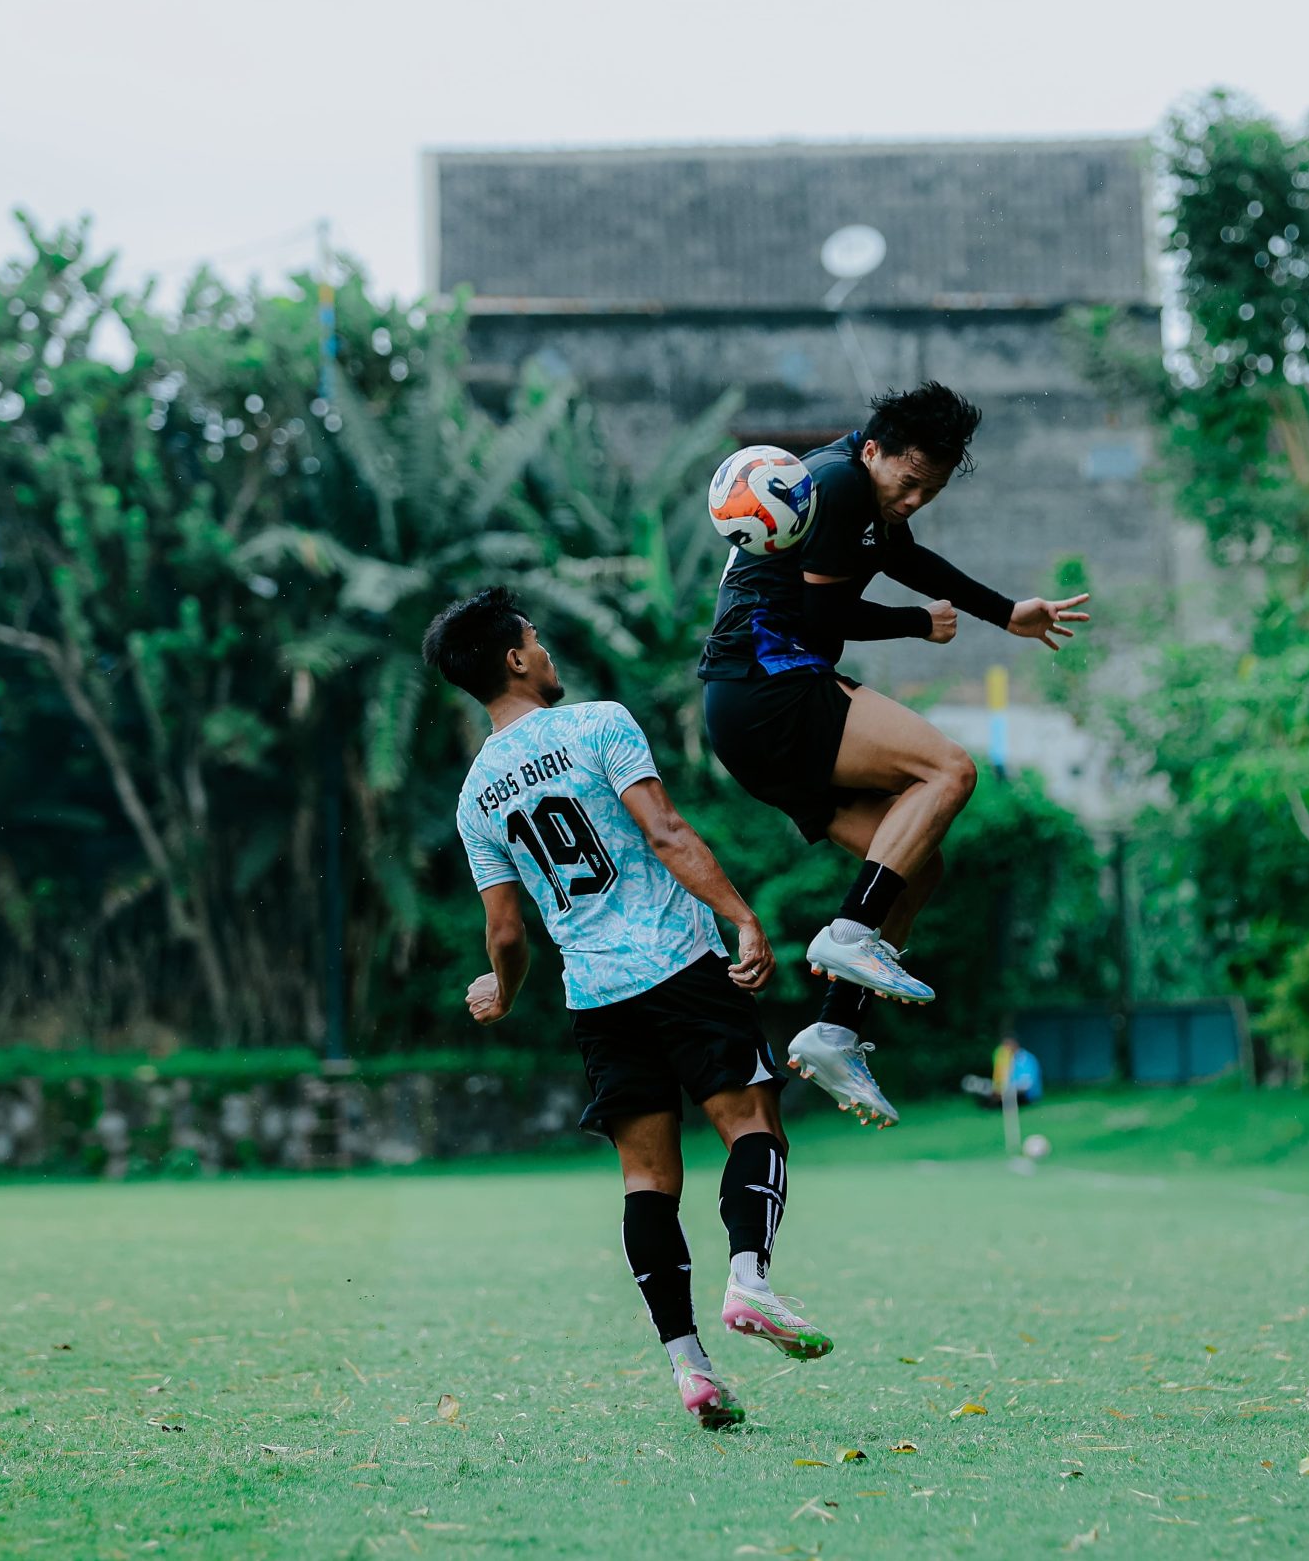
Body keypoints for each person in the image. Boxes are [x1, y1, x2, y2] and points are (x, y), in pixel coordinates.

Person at [425, 587, 832, 1432]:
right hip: (678, 965)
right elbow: (667, 832)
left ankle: (690, 1369)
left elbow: (506, 929)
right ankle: (750, 1278)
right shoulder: (599, 723)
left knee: (646, 1178)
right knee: (753, 1122)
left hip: (597, 998)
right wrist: (742, 915)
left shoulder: (474, 797)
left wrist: (503, 990)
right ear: (515, 659)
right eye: (536, 639)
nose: (547, 650)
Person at [696, 382, 1091, 1129]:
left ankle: (835, 1031)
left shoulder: (865, 493)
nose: (914, 499)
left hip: (750, 716)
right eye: (908, 482)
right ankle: (848, 935)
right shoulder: (837, 483)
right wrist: (916, 624)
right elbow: (820, 612)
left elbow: (909, 556)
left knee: (916, 863)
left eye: (930, 490)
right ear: (872, 449)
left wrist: (1006, 612)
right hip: (766, 687)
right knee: (951, 770)